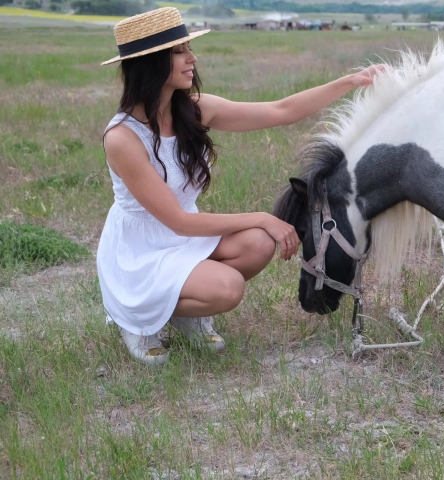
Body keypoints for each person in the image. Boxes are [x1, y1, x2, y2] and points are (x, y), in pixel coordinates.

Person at [97, 7, 384, 365]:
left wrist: (353, 81)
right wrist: (262, 216)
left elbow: (281, 111)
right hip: (142, 250)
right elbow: (178, 221)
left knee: (259, 245)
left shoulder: (194, 110)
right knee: (228, 287)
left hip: (183, 238)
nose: (192, 58)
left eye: (188, 48)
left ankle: (182, 313)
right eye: (179, 51)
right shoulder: (123, 137)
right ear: (151, 63)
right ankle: (138, 319)